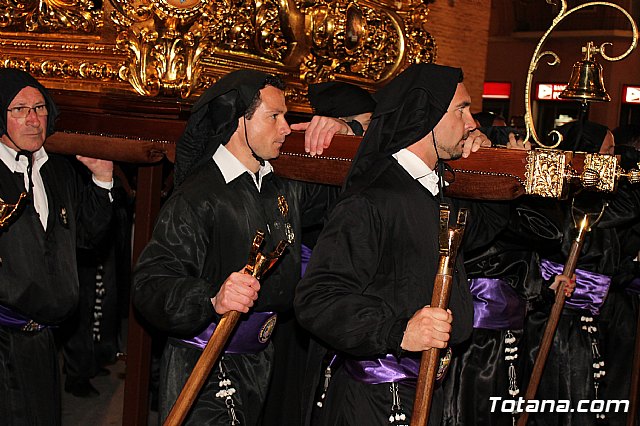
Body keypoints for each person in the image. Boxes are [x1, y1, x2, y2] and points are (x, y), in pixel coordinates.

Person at [293, 63, 510, 425]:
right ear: (426, 114)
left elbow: (482, 230)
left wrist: (488, 165)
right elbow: (317, 299)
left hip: (426, 389)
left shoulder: (435, 188)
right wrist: (398, 330)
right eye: (461, 109)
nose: (472, 123)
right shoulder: (373, 198)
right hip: (377, 398)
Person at [132, 69, 335, 425]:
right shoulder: (197, 197)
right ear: (239, 120)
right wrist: (211, 297)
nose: (286, 127)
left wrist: (346, 131)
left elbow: (345, 193)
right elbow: (151, 283)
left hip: (263, 361)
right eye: (274, 116)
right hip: (207, 363)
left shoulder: (281, 187)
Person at [0, 68, 114, 424]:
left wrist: (102, 178)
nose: (34, 119)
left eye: (40, 107)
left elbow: (87, 238)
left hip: (45, 342)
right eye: (20, 109)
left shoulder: (57, 171)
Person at [521, 119, 640, 425]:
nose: (614, 159)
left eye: (616, 152)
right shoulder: (574, 202)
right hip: (562, 322)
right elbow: (630, 205)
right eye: (608, 152)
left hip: (593, 316)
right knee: (567, 398)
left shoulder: (601, 200)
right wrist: (627, 159)